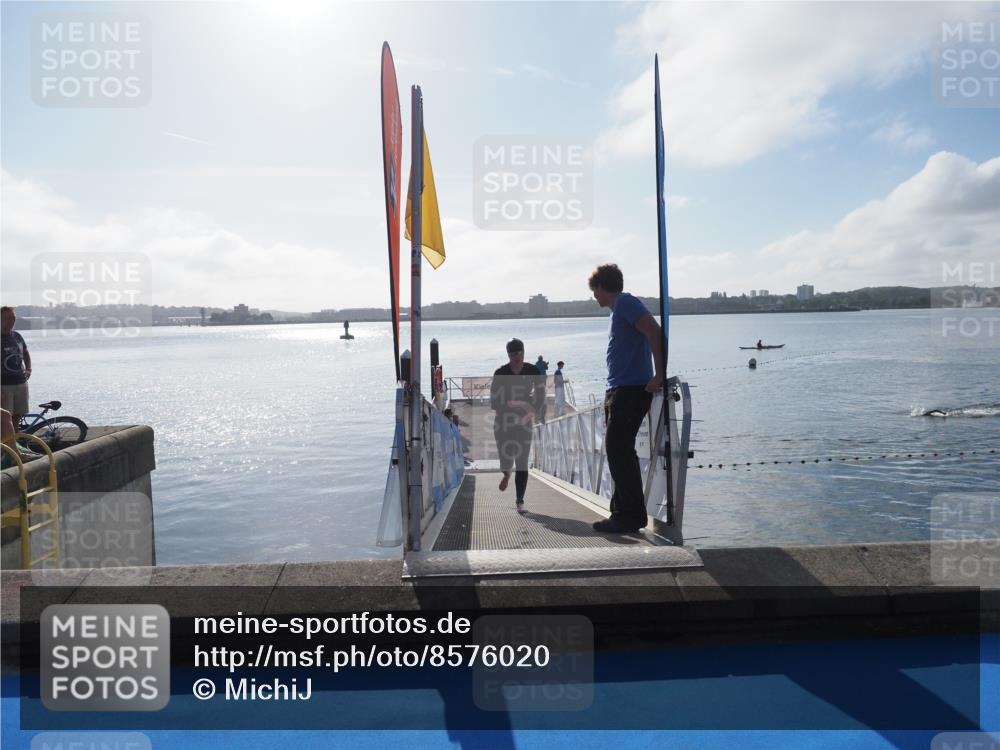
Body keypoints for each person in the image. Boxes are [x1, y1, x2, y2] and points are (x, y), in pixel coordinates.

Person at [588, 264, 664, 534]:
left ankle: (630, 515)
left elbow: (654, 331)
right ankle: (622, 512)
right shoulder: (619, 308)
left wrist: (659, 374)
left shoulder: (625, 303)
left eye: (594, 290)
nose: (594, 296)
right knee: (619, 451)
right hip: (621, 390)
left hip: (631, 390)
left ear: (600, 287)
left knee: (619, 450)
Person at [490, 338, 545, 513]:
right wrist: (515, 403)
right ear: (508, 355)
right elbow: (494, 402)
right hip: (504, 421)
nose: (516, 357)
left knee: (522, 461)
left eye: (519, 353)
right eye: (513, 354)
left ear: (523, 352)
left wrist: (531, 412)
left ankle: (520, 500)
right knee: (507, 457)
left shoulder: (533, 370)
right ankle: (506, 473)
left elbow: (541, 395)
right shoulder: (500, 373)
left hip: (524, 421)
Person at [1, 306, 31, 429]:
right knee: (4, 417)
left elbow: (25, 353)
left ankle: (14, 442)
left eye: (13, 318)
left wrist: (29, 369)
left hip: (20, 382)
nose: (11, 321)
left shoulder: (17, 336)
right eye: (7, 318)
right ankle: (5, 445)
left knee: (18, 415)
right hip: (4, 385)